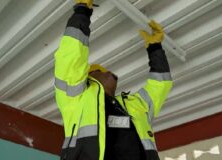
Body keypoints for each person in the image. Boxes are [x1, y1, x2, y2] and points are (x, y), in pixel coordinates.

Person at [54, 0, 173, 159]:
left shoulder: (135, 105)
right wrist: (82, 10)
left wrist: (155, 47)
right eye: (98, 70)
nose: (107, 71)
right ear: (89, 78)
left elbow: (161, 85)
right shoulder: (76, 97)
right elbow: (71, 58)